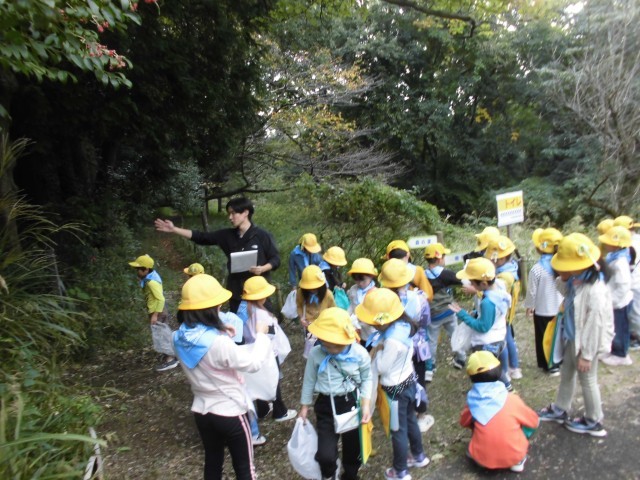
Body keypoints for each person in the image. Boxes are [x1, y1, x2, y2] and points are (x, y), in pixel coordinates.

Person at [172, 274, 272, 479]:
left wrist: (220, 328)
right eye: (217, 305)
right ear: (210, 309)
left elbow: (199, 337)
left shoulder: (178, 338)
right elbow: (253, 363)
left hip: (202, 411)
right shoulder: (219, 343)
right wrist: (261, 335)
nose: (220, 309)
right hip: (230, 412)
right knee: (245, 469)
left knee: (213, 463)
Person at [537, 233, 613, 437]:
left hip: (587, 344)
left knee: (587, 379)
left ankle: (594, 420)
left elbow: (594, 326)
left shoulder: (595, 290)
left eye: (566, 265)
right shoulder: (576, 279)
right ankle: (561, 408)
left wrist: (587, 355)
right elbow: (564, 293)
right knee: (567, 373)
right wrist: (563, 278)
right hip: (572, 338)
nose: (562, 268)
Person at [154, 197, 280, 313]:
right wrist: (174, 229)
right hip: (236, 292)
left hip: (259, 292)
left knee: (264, 325)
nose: (230, 217)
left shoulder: (262, 235)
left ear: (246, 212)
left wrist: (263, 268)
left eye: (233, 213)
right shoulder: (227, 235)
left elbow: (275, 259)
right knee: (239, 326)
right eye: (228, 214)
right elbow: (202, 237)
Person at [356, 288, 430, 480]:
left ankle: (400, 470)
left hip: (395, 391)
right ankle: (419, 455)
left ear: (382, 321)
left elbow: (382, 367)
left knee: (398, 430)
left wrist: (378, 351)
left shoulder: (391, 341)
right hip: (409, 382)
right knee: (411, 421)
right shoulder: (403, 327)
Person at [299, 307, 372, 480]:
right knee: (325, 453)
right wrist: (304, 406)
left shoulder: (359, 354)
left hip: (351, 403)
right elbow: (309, 380)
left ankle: (351, 474)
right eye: (327, 344)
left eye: (337, 345)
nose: (331, 349)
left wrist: (366, 404)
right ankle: (329, 473)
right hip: (326, 405)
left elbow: (367, 378)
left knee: (353, 446)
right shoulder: (316, 354)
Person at [460, 351, 539, 474]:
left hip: (482, 460)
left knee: (476, 422)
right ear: (499, 371)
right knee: (524, 422)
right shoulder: (511, 399)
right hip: (514, 455)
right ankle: (517, 461)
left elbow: (464, 422)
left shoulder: (472, 402)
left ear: (471, 377)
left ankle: (480, 452)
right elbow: (534, 421)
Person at [379, 258, 433, 433]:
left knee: (400, 379)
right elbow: (425, 322)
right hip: (417, 346)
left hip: (393, 346)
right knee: (419, 379)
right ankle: (421, 415)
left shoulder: (383, 303)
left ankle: (401, 414)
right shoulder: (419, 299)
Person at [449, 258, 513, 391]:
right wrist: (477, 313)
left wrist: (463, 314)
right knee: (495, 365)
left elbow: (483, 327)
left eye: (472, 282)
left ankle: (507, 388)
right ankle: (503, 386)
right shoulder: (500, 286)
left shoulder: (487, 303)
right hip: (499, 335)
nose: (470, 284)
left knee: (489, 369)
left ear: (483, 283)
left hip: (487, 342)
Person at [241, 276, 297, 423]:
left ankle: (263, 409)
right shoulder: (261, 313)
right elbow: (270, 334)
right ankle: (280, 412)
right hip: (268, 352)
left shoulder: (246, 308)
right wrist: (273, 322)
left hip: (254, 350)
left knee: (259, 379)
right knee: (274, 379)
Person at [128, 254, 178, 372]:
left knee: (161, 334)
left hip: (158, 311)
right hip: (157, 310)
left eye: (139, 269)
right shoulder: (150, 277)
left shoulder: (151, 282)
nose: (137, 272)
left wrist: (155, 315)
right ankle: (171, 354)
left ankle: (171, 359)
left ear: (146, 270)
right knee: (162, 333)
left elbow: (160, 299)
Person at [524, 228, 564, 375]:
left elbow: (532, 291)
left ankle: (548, 365)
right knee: (557, 337)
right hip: (559, 308)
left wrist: (530, 306)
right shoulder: (562, 266)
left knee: (544, 338)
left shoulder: (537, 269)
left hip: (542, 310)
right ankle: (558, 363)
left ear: (539, 248)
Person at [423, 243, 465, 380]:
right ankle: (461, 358)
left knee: (431, 340)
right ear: (439, 258)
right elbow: (462, 280)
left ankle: (430, 367)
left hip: (433, 315)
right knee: (455, 334)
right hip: (449, 311)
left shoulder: (423, 275)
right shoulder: (445, 274)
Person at [484, 235, 522, 380]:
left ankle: (507, 370)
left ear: (500, 258)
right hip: (508, 311)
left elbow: (495, 294)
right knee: (509, 337)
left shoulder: (504, 276)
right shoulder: (511, 267)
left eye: (492, 258)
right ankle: (514, 367)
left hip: (502, 313)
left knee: (504, 341)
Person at [598, 226, 634, 366]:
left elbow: (623, 285)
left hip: (620, 302)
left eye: (608, 242)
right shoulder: (615, 256)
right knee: (613, 326)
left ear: (617, 245)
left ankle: (621, 354)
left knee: (620, 328)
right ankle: (614, 350)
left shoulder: (620, 262)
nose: (605, 244)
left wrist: (612, 301)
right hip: (614, 300)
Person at [346, 258, 378, 342]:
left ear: (371, 276)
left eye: (362, 280)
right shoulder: (353, 289)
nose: (359, 283)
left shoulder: (376, 293)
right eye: (356, 280)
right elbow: (351, 305)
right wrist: (347, 316)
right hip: (355, 329)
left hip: (370, 332)